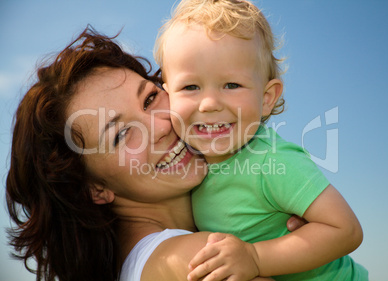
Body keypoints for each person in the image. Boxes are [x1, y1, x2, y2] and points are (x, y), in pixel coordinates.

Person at [6, 27, 306, 281]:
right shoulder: (199, 260)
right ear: (95, 188)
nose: (160, 126)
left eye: (150, 99)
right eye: (121, 134)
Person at [154, 0, 369, 280]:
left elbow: (346, 230)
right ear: (168, 95)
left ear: (266, 98)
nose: (208, 103)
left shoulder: (271, 160)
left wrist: (255, 258)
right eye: (190, 87)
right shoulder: (188, 164)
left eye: (231, 85)